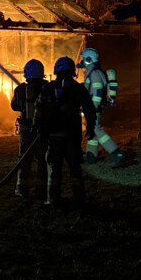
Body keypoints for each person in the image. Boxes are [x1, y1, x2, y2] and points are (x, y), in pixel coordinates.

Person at [34, 56, 96, 208]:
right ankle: (80, 199)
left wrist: (39, 128)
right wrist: (90, 127)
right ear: (72, 71)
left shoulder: (47, 88)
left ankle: (53, 199)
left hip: (54, 137)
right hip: (72, 136)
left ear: (56, 71)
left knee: (54, 169)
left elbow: (39, 109)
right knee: (75, 169)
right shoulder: (79, 89)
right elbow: (89, 109)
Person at [77, 47, 126, 168]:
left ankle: (117, 153)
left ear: (89, 59)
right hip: (92, 107)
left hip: (94, 108)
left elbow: (97, 92)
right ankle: (91, 156)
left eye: (83, 59)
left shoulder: (95, 74)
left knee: (96, 130)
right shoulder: (93, 72)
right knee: (92, 131)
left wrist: (92, 108)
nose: (82, 61)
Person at [10, 59, 49, 198]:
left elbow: (14, 106)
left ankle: (22, 189)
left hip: (26, 130)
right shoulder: (48, 88)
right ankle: (41, 191)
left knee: (24, 159)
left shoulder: (20, 89)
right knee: (42, 160)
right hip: (42, 130)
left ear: (26, 73)